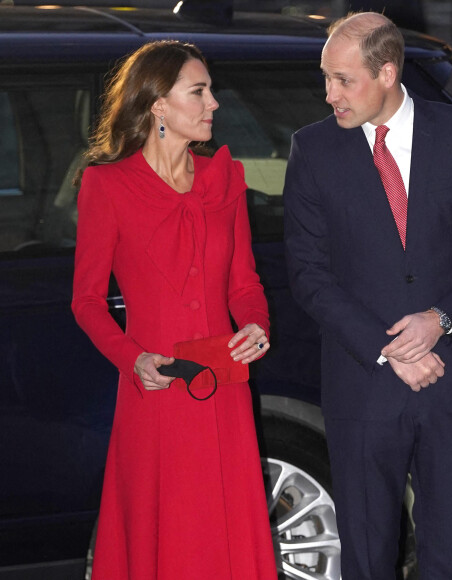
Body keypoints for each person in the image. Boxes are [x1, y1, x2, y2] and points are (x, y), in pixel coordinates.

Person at [283, 12, 452, 580]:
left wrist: (439, 320)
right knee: (366, 557)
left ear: (387, 72)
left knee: (447, 559)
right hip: (362, 389)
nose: (330, 93)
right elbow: (309, 274)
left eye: (344, 79)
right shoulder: (312, 149)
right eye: (326, 78)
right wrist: (391, 349)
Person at [72, 40, 277, 580]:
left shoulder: (224, 178)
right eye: (199, 91)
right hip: (155, 390)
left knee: (225, 535)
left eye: (210, 91)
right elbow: (88, 301)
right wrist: (131, 358)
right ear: (158, 105)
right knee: (163, 537)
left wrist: (257, 324)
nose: (214, 104)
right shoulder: (106, 185)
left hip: (224, 386)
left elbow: (244, 283)